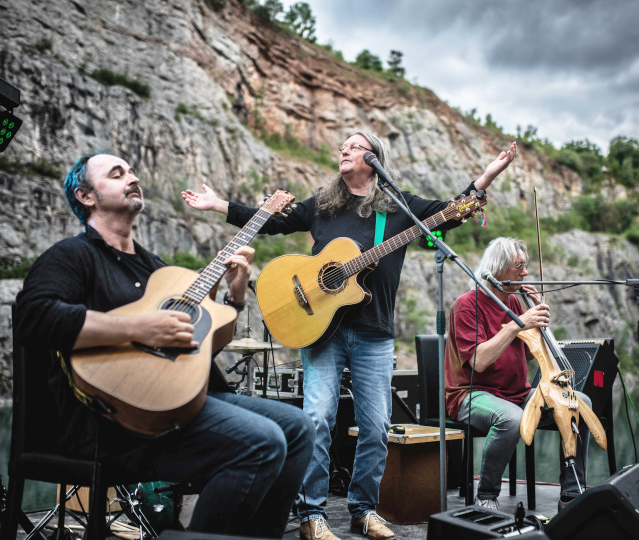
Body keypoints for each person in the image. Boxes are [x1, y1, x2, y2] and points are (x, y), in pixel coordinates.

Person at [182, 131, 516, 540]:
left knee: (376, 427)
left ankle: (363, 509)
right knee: (318, 419)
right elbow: (272, 223)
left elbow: (451, 212)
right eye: (342, 144)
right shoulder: (323, 205)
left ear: (374, 157)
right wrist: (219, 204)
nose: (343, 149)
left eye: (354, 145)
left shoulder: (397, 205)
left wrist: (486, 177)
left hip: (374, 332)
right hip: (321, 330)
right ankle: (311, 515)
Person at [13, 153, 314, 537]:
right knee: (263, 441)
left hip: (175, 404)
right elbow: (32, 318)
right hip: (108, 418)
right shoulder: (73, 255)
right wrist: (138, 328)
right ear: (86, 196)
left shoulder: (156, 268)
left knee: (299, 426)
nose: (133, 177)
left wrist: (235, 298)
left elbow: (194, 348)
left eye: (133, 171)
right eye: (117, 174)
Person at [444, 237, 591, 513]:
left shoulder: (515, 302)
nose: (525, 273)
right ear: (497, 269)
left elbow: (535, 354)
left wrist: (541, 318)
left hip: (518, 394)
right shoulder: (466, 304)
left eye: (525, 266)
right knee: (511, 418)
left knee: (577, 403)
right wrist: (517, 324)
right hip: (471, 395)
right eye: (518, 266)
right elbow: (479, 361)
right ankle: (486, 496)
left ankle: (572, 495)